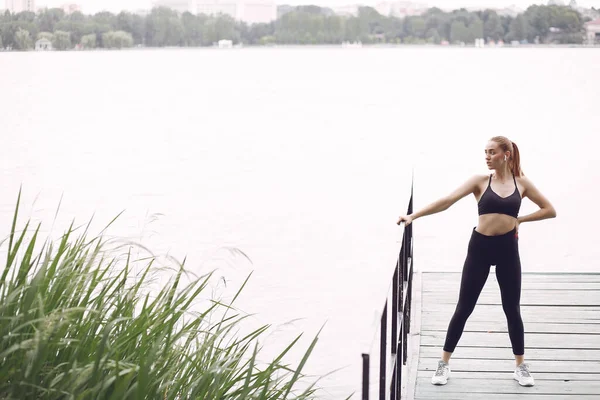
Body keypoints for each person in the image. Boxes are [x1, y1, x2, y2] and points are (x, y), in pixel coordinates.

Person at [396, 136, 556, 387]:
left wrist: (521, 219)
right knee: (464, 307)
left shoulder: (521, 183)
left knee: (512, 309)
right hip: (480, 248)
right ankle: (444, 363)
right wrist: (413, 216)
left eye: (492, 152)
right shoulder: (480, 182)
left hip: (507, 249)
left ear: (506, 154)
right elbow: (447, 201)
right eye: (485, 152)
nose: (487, 156)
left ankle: (520, 366)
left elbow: (549, 209)